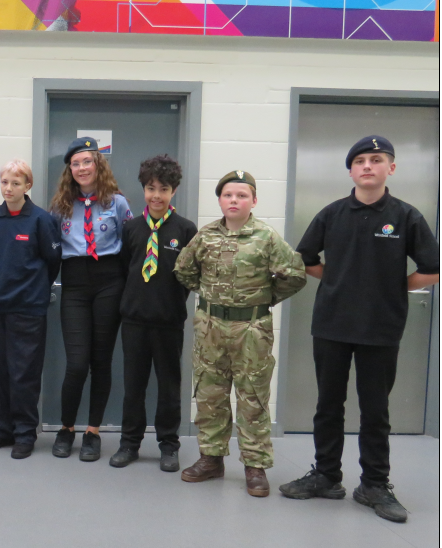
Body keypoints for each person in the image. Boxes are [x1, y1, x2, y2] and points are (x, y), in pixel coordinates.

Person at [279, 136, 440, 523]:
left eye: (377, 159)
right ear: (350, 170)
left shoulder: (406, 217)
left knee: (376, 411)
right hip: (331, 325)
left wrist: (391, 286)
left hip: (380, 329)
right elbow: (303, 258)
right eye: (361, 161)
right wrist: (337, 280)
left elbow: (432, 269)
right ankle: (326, 476)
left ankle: (374, 484)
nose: (368, 166)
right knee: (328, 406)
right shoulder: (332, 214)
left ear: (391, 168)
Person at [174, 170, 306, 497]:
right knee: (210, 393)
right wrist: (208, 295)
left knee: (253, 397)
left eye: (242, 195)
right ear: (220, 200)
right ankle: (211, 459)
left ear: (254, 200)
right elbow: (183, 270)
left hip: (252, 328)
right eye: (228, 195)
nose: (234, 200)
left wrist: (265, 299)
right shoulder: (204, 236)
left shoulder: (266, 237)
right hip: (210, 327)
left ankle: (255, 466)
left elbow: (295, 274)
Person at [110, 155, 196, 472]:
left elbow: (190, 277)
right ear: (143, 189)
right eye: (150, 188)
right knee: (133, 386)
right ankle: (129, 443)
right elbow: (123, 272)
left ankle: (169, 446)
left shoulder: (185, 229)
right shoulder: (131, 228)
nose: (156, 195)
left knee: (169, 387)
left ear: (174, 191)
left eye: (163, 189)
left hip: (169, 322)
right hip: (133, 321)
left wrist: (171, 303)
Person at [49, 137, 131, 462]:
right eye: (76, 163)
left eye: (87, 161)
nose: (82, 168)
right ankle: (66, 428)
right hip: (75, 283)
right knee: (77, 363)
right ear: (70, 169)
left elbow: (130, 245)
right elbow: (51, 248)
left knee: (101, 361)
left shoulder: (118, 203)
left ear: (98, 165)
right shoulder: (60, 206)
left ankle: (92, 432)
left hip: (109, 281)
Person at [0, 160, 61, 459]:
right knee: (0, 371)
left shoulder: (41, 220)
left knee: (23, 373)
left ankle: (25, 433)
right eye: (4, 182)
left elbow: (52, 262)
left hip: (28, 309)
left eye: (15, 183)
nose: (8, 188)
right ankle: (2, 429)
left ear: (28, 186)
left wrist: (34, 290)